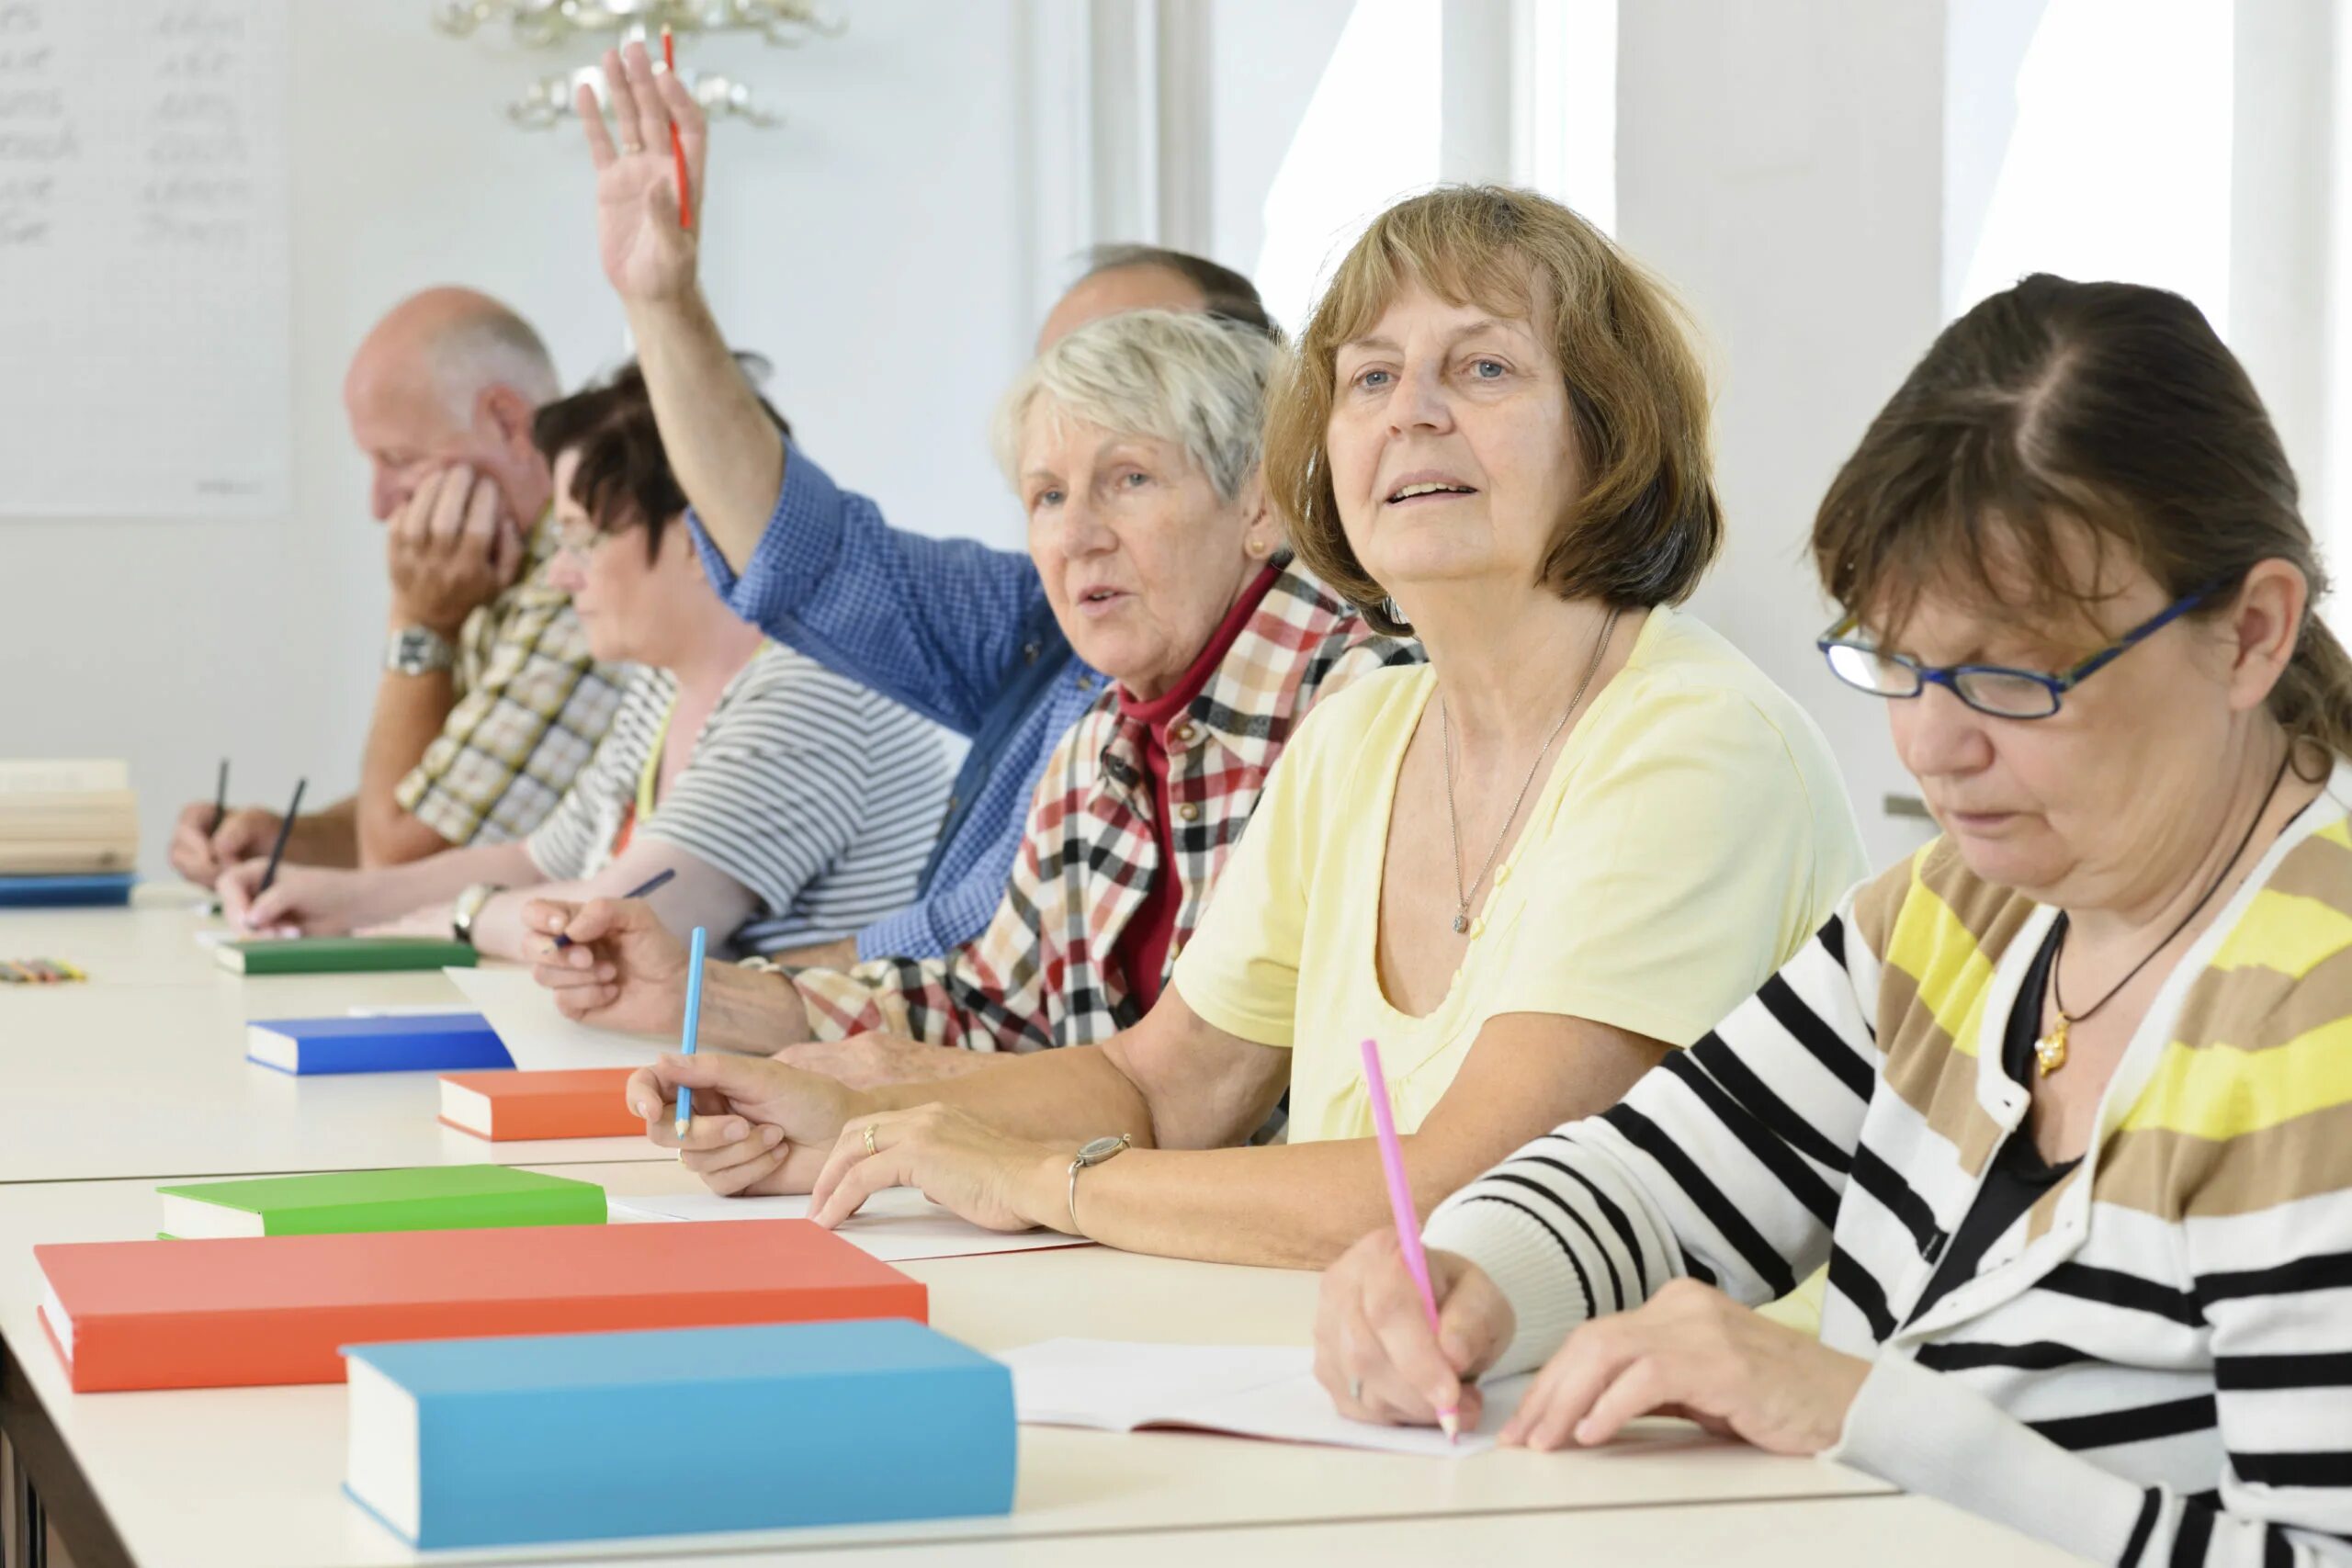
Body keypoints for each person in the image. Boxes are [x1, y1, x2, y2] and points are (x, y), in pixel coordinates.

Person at [582, 186, 1867, 1273]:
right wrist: (853, 1106)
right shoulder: (1368, 731)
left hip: (1669, 1457)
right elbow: (1162, 1081)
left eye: (1480, 366)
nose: (1411, 410)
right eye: (1370, 376)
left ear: (1610, 434)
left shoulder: (1690, 739)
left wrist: (1040, 1173)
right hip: (1400, 1394)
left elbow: (1468, 1195)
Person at [1313, 275, 2352, 1563]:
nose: (1932, 743)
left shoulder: (2324, 1010)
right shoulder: (1963, 915)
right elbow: (1654, 1180)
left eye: (2011, 679)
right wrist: (1468, 1277)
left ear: (2250, 633)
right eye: (1899, 661)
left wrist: (1864, 1414)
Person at [530, 303, 1416, 1078]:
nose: (1076, 537)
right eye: (1047, 496)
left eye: (1130, 479)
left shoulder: (1366, 708)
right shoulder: (1102, 734)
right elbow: (988, 1010)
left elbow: (1205, 1102)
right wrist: (696, 994)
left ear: (1260, 507)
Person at [574, 41, 1278, 966]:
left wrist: (757, 994)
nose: (1077, 524)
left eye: (1136, 378)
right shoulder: (1043, 616)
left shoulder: (1320, 682)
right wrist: (660, 304)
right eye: (1058, 390)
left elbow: (1014, 988)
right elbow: (804, 557)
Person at [218, 362, 945, 963]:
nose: (562, 574)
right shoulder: (668, 681)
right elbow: (540, 861)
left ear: (699, 534)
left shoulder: (810, 691)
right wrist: (337, 898)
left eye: (583, 540)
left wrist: (463, 917)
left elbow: (617, 927)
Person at [169, 288, 625, 881]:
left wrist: (419, 620)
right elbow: (445, 803)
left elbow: (402, 865)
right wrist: (282, 839)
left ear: (508, 422)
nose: (380, 504)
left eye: (401, 458)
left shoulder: (585, 582)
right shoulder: (503, 567)